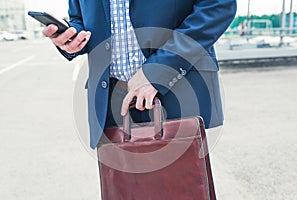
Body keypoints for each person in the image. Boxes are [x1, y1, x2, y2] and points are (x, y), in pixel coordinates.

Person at [43, 0, 236, 195]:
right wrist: (71, 38)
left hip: (176, 90)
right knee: (128, 192)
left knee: (181, 190)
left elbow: (218, 6)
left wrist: (158, 71)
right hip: (112, 103)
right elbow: (81, 18)